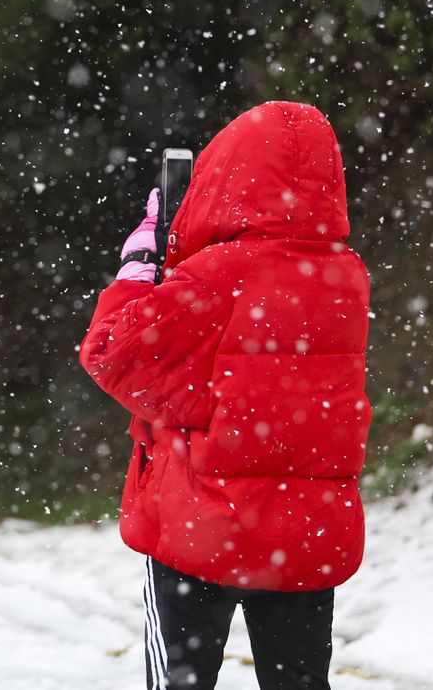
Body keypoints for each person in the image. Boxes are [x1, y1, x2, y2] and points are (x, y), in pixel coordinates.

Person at [79, 101, 371, 690]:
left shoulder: (216, 275)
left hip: (201, 530)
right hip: (304, 535)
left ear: (226, 175)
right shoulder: (347, 276)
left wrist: (142, 265)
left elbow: (112, 353)